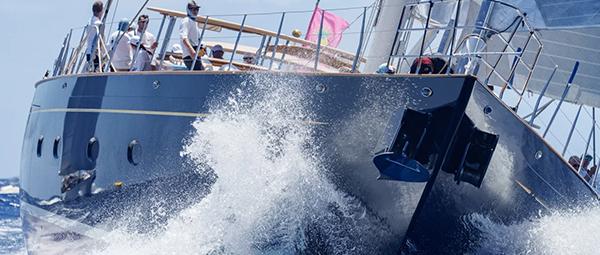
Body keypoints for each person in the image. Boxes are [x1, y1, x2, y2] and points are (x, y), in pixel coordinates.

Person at [180, 1, 204, 70]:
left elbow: (198, 39)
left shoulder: (194, 22)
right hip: (189, 55)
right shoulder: (186, 21)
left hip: (195, 54)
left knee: (201, 72)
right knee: (198, 74)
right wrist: (192, 52)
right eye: (193, 9)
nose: (196, 11)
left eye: (197, 9)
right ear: (188, 10)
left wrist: (203, 47)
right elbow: (184, 38)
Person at [86, 1, 104, 72]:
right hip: (95, 53)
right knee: (97, 71)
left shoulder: (89, 21)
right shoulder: (99, 23)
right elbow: (101, 40)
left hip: (88, 52)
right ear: (101, 11)